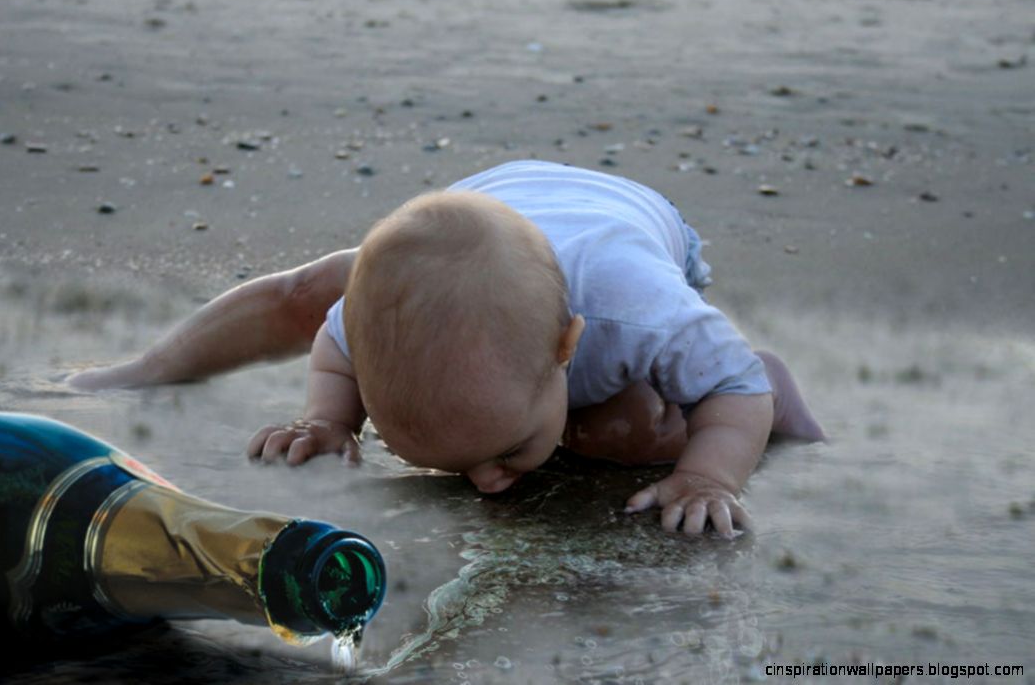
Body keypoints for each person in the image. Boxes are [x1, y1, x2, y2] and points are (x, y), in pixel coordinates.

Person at [69, 161, 824, 537]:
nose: (488, 487)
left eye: (499, 452)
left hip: (627, 223)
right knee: (317, 287)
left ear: (569, 346)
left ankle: (753, 376)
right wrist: (330, 419)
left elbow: (731, 396)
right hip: (477, 222)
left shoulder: (637, 312)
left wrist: (707, 474)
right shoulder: (371, 317)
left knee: (618, 430)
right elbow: (336, 352)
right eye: (461, 465)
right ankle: (150, 367)